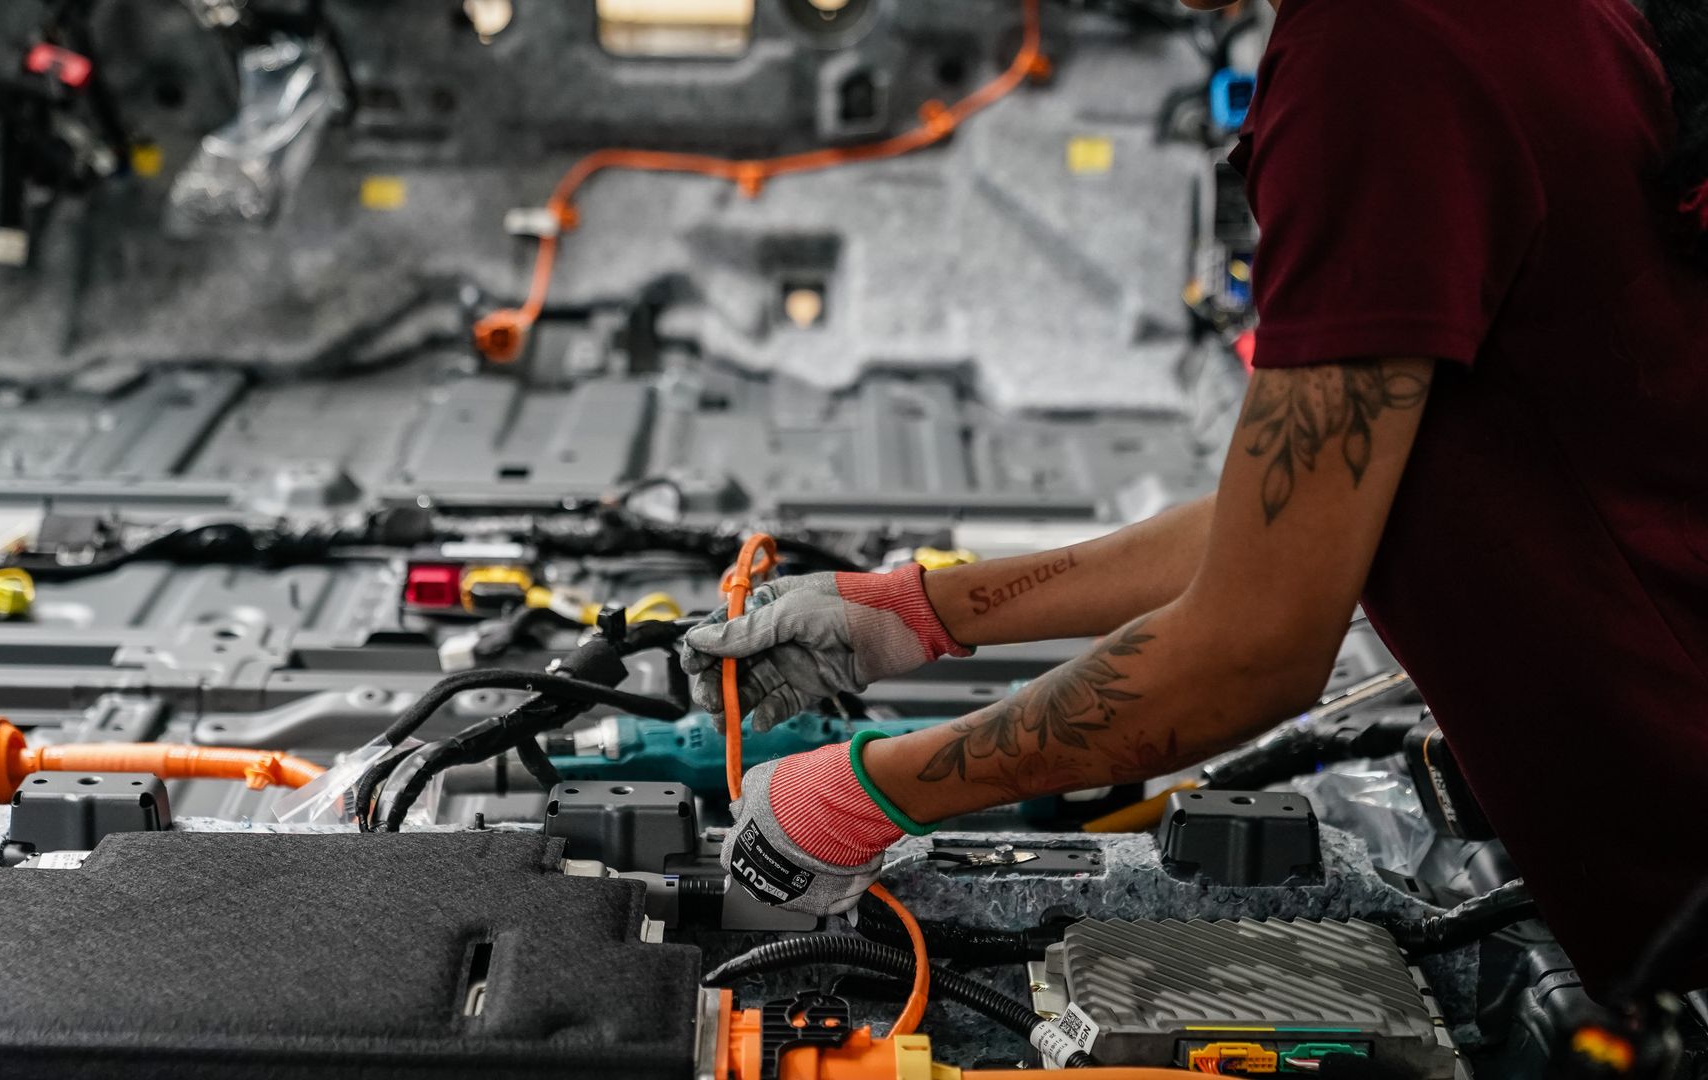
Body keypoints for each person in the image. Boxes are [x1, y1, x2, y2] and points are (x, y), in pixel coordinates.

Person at [680, 0, 1708, 993]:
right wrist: (916, 614)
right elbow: (1297, 523)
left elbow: (1253, 645)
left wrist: (868, 793)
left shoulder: (1380, 57)